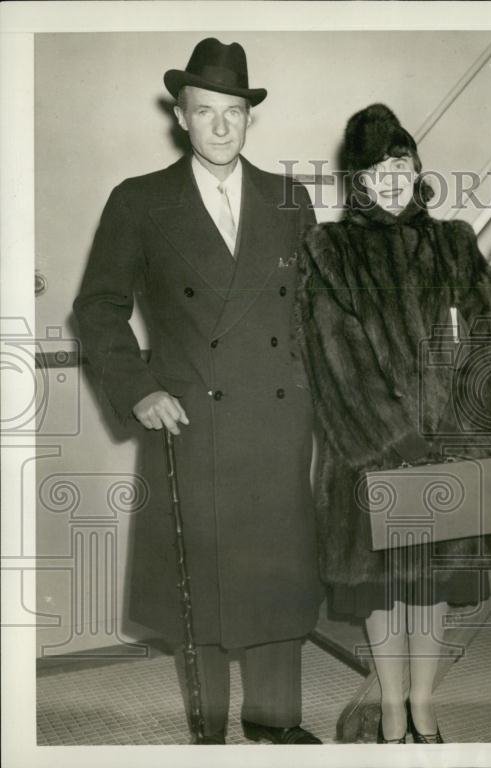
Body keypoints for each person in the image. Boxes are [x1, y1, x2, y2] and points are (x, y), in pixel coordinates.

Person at [73, 38, 323, 744]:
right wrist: (140, 389)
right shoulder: (140, 200)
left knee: (278, 581)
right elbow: (97, 308)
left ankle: (275, 724)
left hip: (277, 421)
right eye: (206, 111)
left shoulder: (288, 196)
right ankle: (209, 736)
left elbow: (319, 308)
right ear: (181, 116)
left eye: (234, 112)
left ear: (251, 119)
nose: (221, 126)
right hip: (192, 423)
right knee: (202, 593)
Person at [295, 103, 491, 744]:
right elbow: (336, 360)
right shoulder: (328, 251)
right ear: (356, 179)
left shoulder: (454, 240)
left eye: (402, 165)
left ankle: (423, 701)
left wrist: (464, 425)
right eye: (377, 169)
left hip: (449, 445)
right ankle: (389, 705)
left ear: (417, 170)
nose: (391, 179)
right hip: (369, 451)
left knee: (433, 581)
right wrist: (399, 440)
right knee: (382, 589)